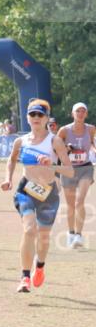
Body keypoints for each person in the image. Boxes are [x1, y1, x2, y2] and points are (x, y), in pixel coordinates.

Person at [1, 99, 75, 292]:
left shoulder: (55, 141)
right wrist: (8, 178)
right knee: (29, 229)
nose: (36, 118)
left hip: (49, 194)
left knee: (43, 236)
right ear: (27, 117)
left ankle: (39, 267)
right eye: (32, 114)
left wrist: (50, 164)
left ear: (46, 118)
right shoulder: (21, 141)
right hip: (26, 190)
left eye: (40, 114)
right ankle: (25, 277)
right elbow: (11, 160)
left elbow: (69, 171)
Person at [56, 102, 95, 249]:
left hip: (85, 168)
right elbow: (56, 148)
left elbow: (93, 144)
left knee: (80, 201)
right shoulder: (64, 130)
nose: (80, 113)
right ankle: (71, 233)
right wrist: (67, 148)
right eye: (78, 111)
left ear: (86, 114)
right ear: (73, 114)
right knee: (71, 205)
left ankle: (79, 235)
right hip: (68, 169)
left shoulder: (91, 129)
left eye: (83, 111)